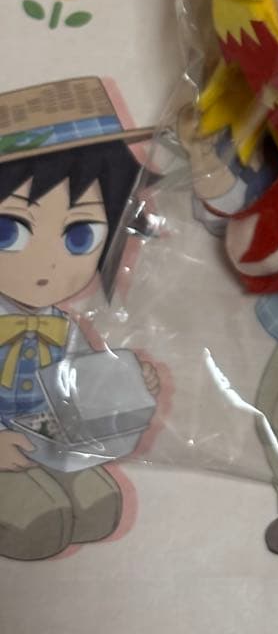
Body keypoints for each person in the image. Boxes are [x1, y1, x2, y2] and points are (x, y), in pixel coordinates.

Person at [0, 78, 158, 561]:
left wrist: (125, 381)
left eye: (79, 236)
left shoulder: (63, 326)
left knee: (99, 505)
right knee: (39, 519)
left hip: (45, 437)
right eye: (9, 231)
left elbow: (79, 382)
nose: (46, 264)